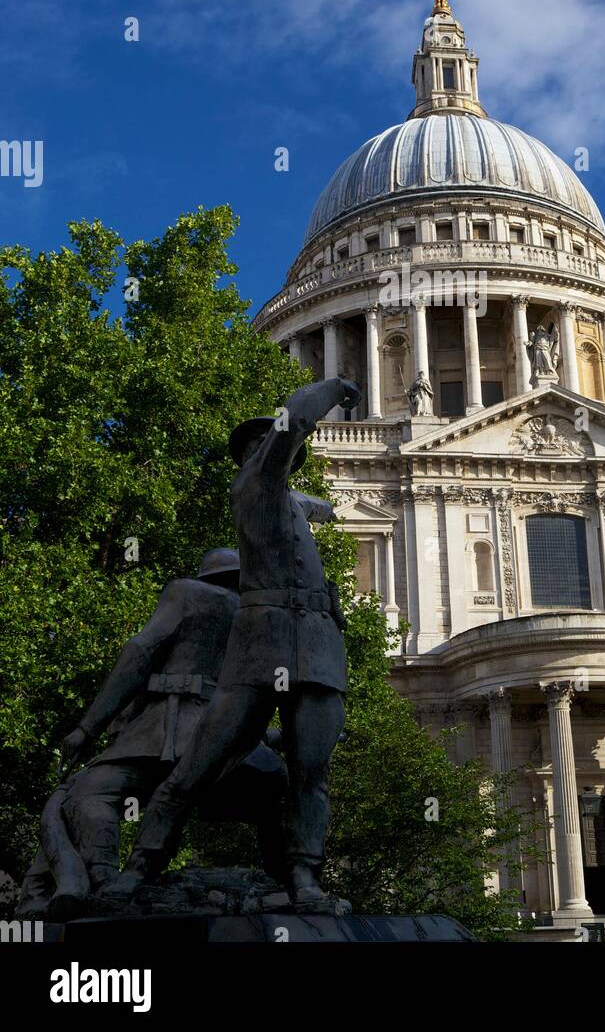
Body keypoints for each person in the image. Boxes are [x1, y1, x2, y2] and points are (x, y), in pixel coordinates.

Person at [104, 376, 361, 915]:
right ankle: (138, 869)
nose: (273, 448)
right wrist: (336, 387)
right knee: (198, 764)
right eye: (263, 443)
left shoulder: (287, 500)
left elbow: (311, 504)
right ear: (252, 454)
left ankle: (304, 878)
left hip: (317, 645)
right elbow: (296, 417)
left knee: (311, 774)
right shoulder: (254, 485)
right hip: (262, 642)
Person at [16, 548, 288, 922]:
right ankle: (295, 884)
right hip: (234, 747)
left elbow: (140, 651)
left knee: (89, 794)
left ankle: (102, 882)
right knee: (275, 800)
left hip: (170, 731)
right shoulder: (265, 618)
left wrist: (87, 728)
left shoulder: (188, 592)